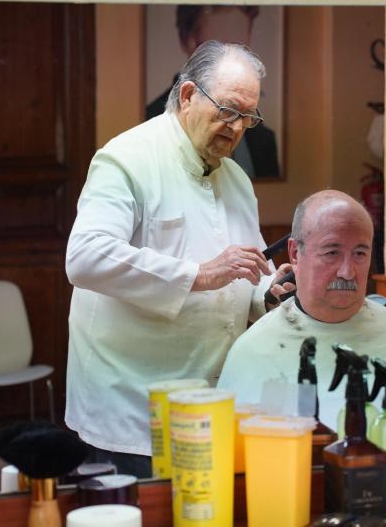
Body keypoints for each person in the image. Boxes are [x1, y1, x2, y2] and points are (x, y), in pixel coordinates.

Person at [65, 40, 293, 477]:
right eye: (228, 110)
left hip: (211, 399)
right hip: (129, 401)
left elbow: (244, 271)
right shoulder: (127, 159)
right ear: (188, 95)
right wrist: (200, 274)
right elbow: (85, 258)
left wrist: (268, 293)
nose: (237, 128)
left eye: (248, 117)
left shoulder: (237, 180)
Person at [217, 190, 386, 458]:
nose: (347, 272)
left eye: (359, 253)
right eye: (332, 252)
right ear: (295, 253)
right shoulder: (252, 351)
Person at [146, 5, 280, 179]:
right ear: (188, 96)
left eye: (241, 49)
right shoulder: (136, 154)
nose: (237, 127)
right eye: (218, 50)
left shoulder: (258, 148)